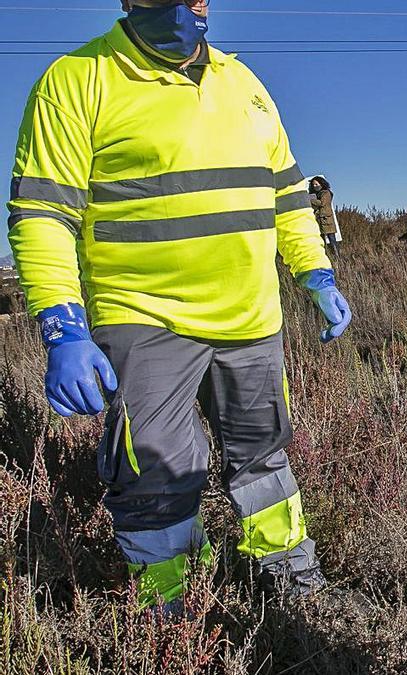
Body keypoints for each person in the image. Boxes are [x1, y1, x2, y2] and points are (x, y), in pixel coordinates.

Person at [7, 0, 353, 610]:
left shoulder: (243, 83)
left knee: (264, 456)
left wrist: (316, 274)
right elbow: (42, 214)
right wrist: (63, 327)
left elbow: (286, 193)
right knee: (153, 475)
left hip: (251, 318)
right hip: (143, 319)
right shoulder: (75, 80)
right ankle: (170, 610)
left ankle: (289, 576)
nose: (185, 7)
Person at [309, 176, 338, 256]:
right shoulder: (316, 195)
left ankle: (337, 258)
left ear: (321, 184)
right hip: (319, 220)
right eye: (313, 185)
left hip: (327, 219)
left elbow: (322, 203)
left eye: (316, 184)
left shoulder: (326, 193)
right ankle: (326, 257)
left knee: (332, 240)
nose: (315, 186)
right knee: (321, 241)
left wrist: (310, 200)